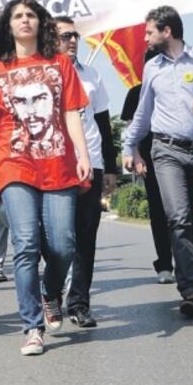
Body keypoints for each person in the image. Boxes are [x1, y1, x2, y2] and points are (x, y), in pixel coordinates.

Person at [0, 0, 91, 356]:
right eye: (17, 16)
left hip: (59, 164)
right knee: (25, 244)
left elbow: (72, 112)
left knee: (63, 245)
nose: (25, 21)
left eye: (30, 15)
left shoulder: (60, 64)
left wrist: (83, 155)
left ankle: (50, 292)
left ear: (41, 23)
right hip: (14, 164)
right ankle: (32, 326)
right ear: (7, 26)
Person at [122, 5, 193, 319]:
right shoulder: (152, 68)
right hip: (166, 151)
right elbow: (143, 113)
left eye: (149, 31)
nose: (145, 37)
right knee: (178, 218)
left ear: (168, 31)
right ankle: (191, 290)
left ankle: (189, 273)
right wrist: (129, 146)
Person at [54, 16, 118, 328]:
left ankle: (79, 302)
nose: (72, 41)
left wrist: (110, 167)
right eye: (64, 35)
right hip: (53, 165)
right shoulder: (42, 74)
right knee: (55, 238)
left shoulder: (91, 75)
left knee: (85, 236)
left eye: (74, 35)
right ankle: (51, 291)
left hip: (89, 165)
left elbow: (104, 125)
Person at [120, 48, 175, 285]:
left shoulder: (177, 87)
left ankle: (187, 262)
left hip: (179, 156)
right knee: (159, 213)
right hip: (151, 160)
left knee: (183, 213)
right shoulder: (136, 93)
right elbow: (132, 128)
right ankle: (164, 264)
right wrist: (136, 156)